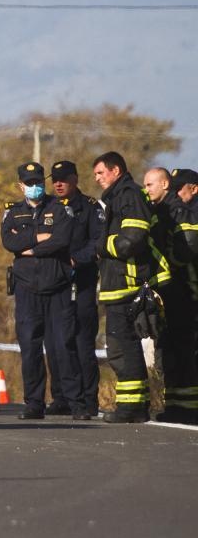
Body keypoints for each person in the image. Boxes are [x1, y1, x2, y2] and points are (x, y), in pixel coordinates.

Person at [0, 162, 83, 419]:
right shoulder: (13, 212)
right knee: (30, 348)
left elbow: (62, 240)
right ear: (20, 186)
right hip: (27, 289)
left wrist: (30, 249)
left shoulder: (60, 209)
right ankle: (34, 404)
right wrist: (40, 237)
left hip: (57, 287)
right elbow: (9, 241)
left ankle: (76, 403)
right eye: (29, 183)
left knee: (64, 345)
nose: (34, 186)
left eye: (38, 182)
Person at [93, 151, 161, 423]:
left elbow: (131, 239)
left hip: (126, 283)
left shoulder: (128, 195)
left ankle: (131, 408)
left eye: (101, 172)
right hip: (116, 284)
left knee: (122, 346)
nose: (97, 178)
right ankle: (135, 405)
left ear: (116, 170)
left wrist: (102, 245)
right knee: (121, 346)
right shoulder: (117, 197)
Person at [49, 160, 103, 416]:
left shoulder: (90, 207)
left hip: (81, 282)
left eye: (63, 179)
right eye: (55, 180)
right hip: (56, 284)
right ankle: (61, 397)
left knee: (82, 342)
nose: (58, 184)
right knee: (57, 343)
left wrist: (76, 259)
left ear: (75, 179)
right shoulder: (50, 207)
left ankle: (88, 400)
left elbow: (98, 242)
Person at [144, 167, 198, 422]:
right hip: (171, 290)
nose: (146, 190)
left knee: (185, 348)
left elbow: (188, 246)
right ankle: (176, 404)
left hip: (185, 289)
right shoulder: (162, 210)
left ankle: (188, 408)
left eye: (150, 184)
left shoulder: (179, 210)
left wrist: (170, 263)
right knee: (171, 348)